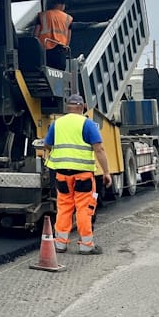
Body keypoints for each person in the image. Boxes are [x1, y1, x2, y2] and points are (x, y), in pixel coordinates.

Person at [44, 94, 112, 254]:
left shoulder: (57, 124)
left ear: (68, 108)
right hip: (83, 175)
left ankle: (60, 244)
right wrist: (107, 172)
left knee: (64, 208)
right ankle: (86, 246)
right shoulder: (87, 124)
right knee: (83, 208)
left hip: (61, 175)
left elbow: (47, 144)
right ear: (82, 107)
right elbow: (99, 149)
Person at [35, 0, 73, 70]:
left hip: (45, 50)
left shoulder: (42, 15)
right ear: (62, 5)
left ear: (53, 4)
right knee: (59, 74)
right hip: (60, 50)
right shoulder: (68, 18)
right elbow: (69, 36)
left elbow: (36, 34)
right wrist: (66, 47)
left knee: (45, 71)